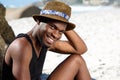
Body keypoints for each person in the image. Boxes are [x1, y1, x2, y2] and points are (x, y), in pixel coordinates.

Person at [2, 1, 91, 80]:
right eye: (52, 27)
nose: (55, 35)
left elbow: (80, 49)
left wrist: (64, 23)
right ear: (39, 20)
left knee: (77, 60)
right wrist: (62, 23)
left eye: (61, 32)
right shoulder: (21, 46)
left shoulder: (44, 42)